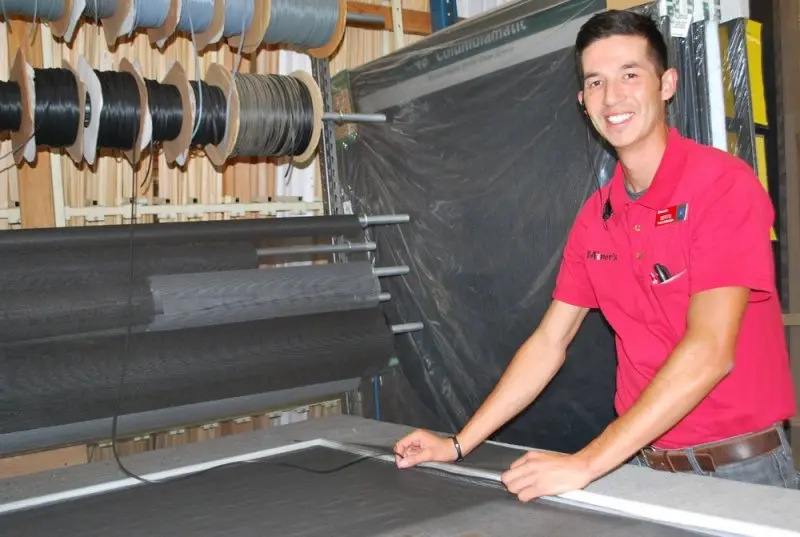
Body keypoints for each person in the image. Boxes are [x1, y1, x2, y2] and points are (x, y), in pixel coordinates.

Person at [393, 9, 798, 499]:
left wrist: (584, 463)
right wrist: (458, 444)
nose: (612, 97)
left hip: (741, 473)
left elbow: (709, 350)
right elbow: (549, 343)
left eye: (630, 75)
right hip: (643, 467)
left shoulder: (723, 186)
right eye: (596, 82)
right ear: (583, 102)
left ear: (667, 84)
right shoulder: (596, 218)